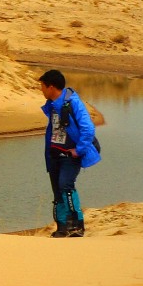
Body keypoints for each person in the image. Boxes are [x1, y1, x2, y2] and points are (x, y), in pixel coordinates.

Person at [38, 69, 100, 237]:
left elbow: (88, 129)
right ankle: (62, 228)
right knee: (57, 192)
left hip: (70, 156)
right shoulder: (52, 105)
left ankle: (77, 226)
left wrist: (78, 150)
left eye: (42, 86)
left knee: (65, 185)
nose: (41, 89)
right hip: (54, 155)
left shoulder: (73, 102)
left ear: (51, 87)